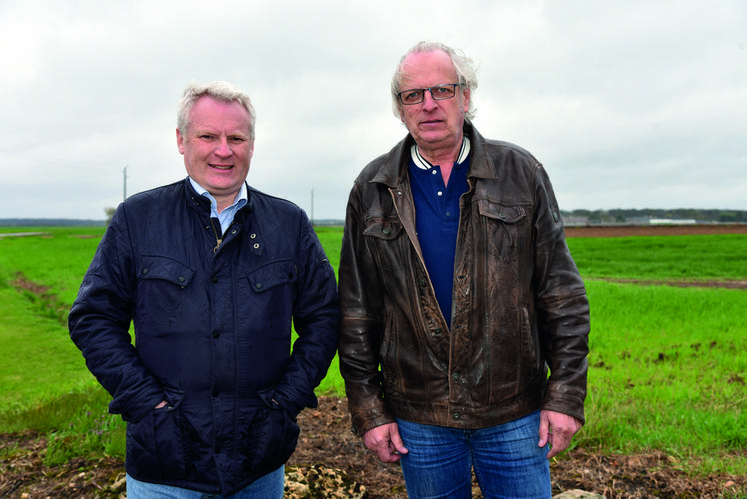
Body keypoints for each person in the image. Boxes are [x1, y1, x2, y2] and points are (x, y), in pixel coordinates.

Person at [338, 41, 590, 499]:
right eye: (413, 95)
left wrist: (566, 393)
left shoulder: (521, 173)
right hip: (420, 417)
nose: (429, 104)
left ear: (466, 97)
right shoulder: (372, 188)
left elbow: (562, 295)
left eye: (442, 90)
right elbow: (357, 313)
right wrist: (370, 410)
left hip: (514, 413)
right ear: (400, 109)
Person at [69, 81, 340, 498]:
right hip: (164, 467)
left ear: (252, 143)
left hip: (259, 464)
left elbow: (323, 317)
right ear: (181, 140)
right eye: (207, 136)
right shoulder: (138, 219)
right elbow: (93, 319)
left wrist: (284, 402)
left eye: (236, 138)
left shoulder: (289, 224)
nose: (223, 150)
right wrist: (148, 405)